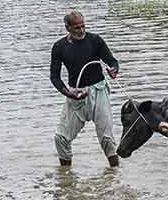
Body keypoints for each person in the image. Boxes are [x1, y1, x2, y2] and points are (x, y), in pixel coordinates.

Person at [50, 9, 120, 167]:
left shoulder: (95, 40)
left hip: (99, 91)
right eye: (77, 27)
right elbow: (54, 77)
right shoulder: (59, 47)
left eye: (83, 26)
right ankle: (66, 175)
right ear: (67, 27)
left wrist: (114, 70)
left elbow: (112, 61)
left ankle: (115, 174)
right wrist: (69, 93)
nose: (81, 30)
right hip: (75, 93)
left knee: (107, 139)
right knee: (61, 138)